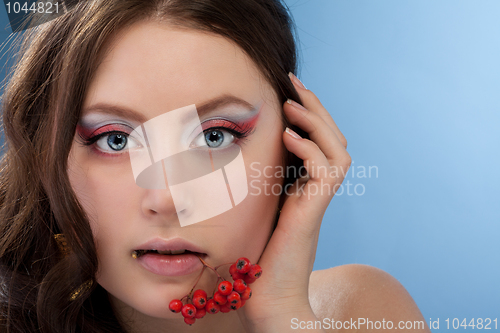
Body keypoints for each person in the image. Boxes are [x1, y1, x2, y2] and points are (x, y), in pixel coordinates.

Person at [0, 0, 430, 332]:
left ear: (295, 149)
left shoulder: (362, 313)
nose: (168, 198)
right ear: (46, 158)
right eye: (116, 140)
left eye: (214, 136)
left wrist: (283, 313)